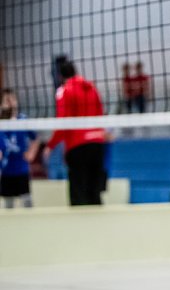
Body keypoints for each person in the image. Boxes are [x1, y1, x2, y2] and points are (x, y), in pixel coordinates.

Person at [43, 61, 108, 206]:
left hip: (77, 146)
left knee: (78, 195)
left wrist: (50, 145)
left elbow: (63, 122)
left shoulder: (64, 90)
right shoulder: (92, 87)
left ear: (60, 76)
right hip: (97, 144)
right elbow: (100, 114)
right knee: (94, 193)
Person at [0, 90, 38, 208]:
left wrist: (31, 153)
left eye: (13, 99)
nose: (11, 103)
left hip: (21, 169)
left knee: (27, 201)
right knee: (8, 203)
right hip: (5, 170)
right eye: (7, 100)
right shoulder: (1, 122)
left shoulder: (23, 120)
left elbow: (35, 138)